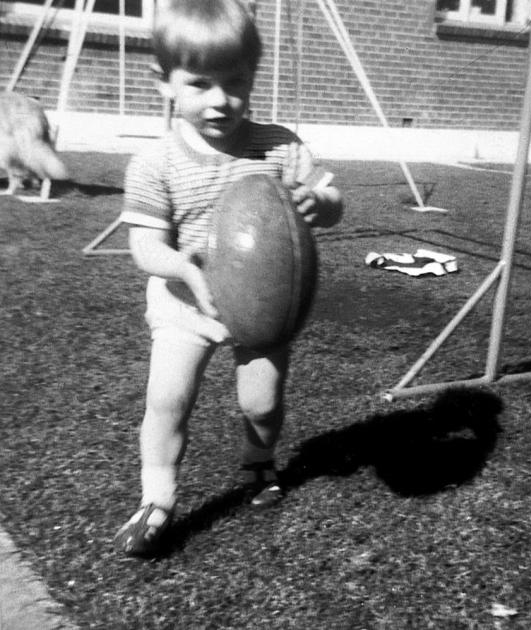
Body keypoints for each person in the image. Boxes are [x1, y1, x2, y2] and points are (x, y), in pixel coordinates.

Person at [113, 0, 343, 557]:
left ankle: (258, 462)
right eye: (200, 84)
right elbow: (144, 245)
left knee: (261, 402)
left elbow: (333, 201)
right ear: (164, 82)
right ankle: (157, 499)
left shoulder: (278, 147)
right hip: (184, 303)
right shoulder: (155, 162)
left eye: (235, 83)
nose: (220, 100)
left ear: (252, 77)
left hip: (267, 302)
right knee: (167, 400)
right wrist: (184, 267)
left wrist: (319, 200)